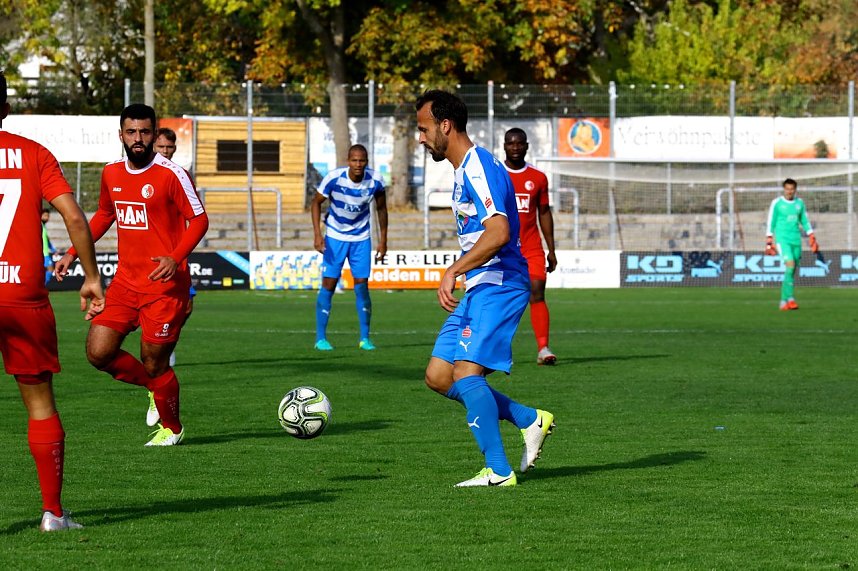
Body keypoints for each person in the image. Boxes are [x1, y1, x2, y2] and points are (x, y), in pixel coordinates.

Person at [416, 90, 554, 487]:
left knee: (465, 371)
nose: (421, 138)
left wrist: (452, 271)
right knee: (440, 375)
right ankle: (529, 419)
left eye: (424, 129)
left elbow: (499, 232)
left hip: (500, 281)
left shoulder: (477, 167)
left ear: (445, 125)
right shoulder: (464, 169)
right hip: (482, 285)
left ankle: (498, 470)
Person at [56, 103, 209, 446]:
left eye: (144, 132)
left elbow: (199, 220)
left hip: (164, 286)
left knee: (154, 361)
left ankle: (172, 428)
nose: (137, 139)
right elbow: (104, 215)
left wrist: (174, 257)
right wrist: (71, 252)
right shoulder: (111, 172)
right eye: (131, 132)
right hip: (126, 282)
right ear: (121, 134)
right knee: (98, 353)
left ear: (155, 134)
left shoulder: (172, 174)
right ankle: (156, 388)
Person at [0, 70, 104, 531]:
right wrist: (92, 277)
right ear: (5, 107)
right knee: (40, 404)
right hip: (23, 297)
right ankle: (53, 514)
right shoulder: (34, 153)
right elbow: (75, 217)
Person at [310, 144, 388, 351]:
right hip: (335, 236)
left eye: (362, 160)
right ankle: (320, 339)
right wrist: (318, 235)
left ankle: (365, 338)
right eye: (354, 160)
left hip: (362, 237)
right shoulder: (334, 178)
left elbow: (382, 209)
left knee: (361, 285)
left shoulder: (376, 180)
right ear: (348, 161)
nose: (358, 164)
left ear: (367, 162)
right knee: (329, 283)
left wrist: (383, 240)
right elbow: (315, 203)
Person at [151, 126, 196, 424]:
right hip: (153, 262)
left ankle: (164, 358)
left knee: (186, 309)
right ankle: (156, 375)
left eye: (170, 148)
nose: (166, 152)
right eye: (161, 147)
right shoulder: (145, 176)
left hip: (179, 260)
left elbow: (194, 218)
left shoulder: (180, 175)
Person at [503, 128, 558, 365]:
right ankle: (497, 348)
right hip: (503, 248)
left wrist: (551, 249)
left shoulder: (538, 178)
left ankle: (543, 348)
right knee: (502, 298)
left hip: (531, 247)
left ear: (526, 146)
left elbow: (544, 213)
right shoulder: (496, 174)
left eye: (519, 143)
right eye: (510, 143)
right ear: (504, 146)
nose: (515, 147)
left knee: (537, 291)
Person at [766, 178, 819, 310]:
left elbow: (804, 220)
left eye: (792, 189)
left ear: (795, 190)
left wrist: (811, 235)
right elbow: (771, 221)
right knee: (790, 265)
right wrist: (769, 241)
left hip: (796, 239)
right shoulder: (777, 203)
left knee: (792, 270)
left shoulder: (799, 203)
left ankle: (784, 301)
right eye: (787, 189)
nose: (789, 191)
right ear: (784, 189)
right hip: (783, 240)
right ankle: (790, 298)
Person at [41, 207, 58, 285]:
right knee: (50, 269)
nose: (47, 218)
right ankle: (41, 286)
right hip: (43, 254)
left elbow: (47, 241)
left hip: (45, 253)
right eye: (45, 215)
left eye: (48, 216)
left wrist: (53, 250)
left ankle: (40, 286)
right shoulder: (39, 225)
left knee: (45, 270)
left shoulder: (43, 227)